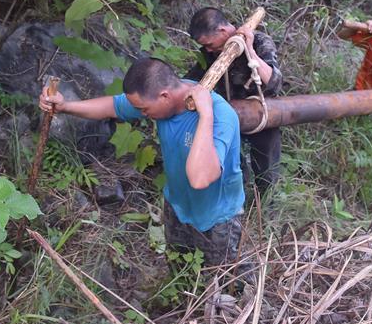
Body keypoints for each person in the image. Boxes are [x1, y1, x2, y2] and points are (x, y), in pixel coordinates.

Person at [38, 58, 245, 266]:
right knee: (180, 269)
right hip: (178, 206)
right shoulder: (163, 99)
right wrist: (65, 106)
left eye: (144, 109)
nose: (142, 114)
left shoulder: (220, 116)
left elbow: (200, 179)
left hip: (217, 218)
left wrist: (206, 115)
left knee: (222, 277)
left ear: (165, 96)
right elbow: (112, 106)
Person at [186, 7, 283, 195]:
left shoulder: (259, 41)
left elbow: (274, 83)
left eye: (209, 44)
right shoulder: (210, 51)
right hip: (230, 116)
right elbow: (193, 80)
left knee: (266, 169)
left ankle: (266, 202)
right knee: (232, 167)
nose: (208, 49)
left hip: (261, 115)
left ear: (222, 31)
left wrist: (250, 51)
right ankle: (237, 201)